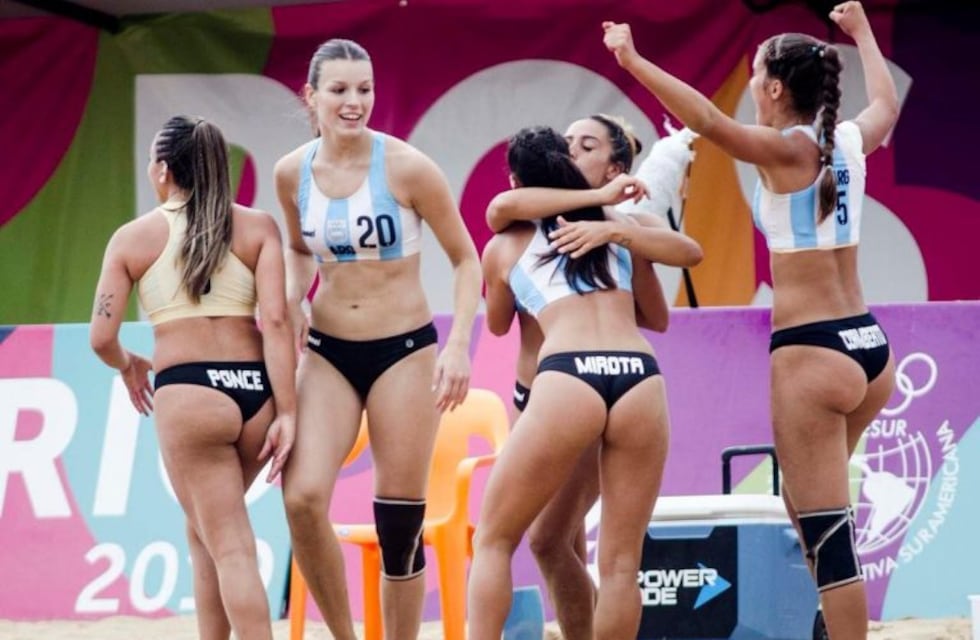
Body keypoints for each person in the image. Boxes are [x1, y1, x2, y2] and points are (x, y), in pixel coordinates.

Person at [602, 2, 899, 637]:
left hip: (812, 352)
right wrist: (863, 32)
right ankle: (830, 620)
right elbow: (887, 104)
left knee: (826, 528)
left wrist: (632, 59)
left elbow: (705, 120)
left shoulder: (786, 150)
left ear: (770, 87)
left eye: (756, 72)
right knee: (805, 503)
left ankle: (842, 626)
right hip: (869, 347)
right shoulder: (845, 139)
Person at [273, 38, 481, 640]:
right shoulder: (292, 173)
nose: (354, 102)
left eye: (364, 89)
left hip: (403, 351)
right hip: (331, 352)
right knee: (303, 498)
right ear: (311, 96)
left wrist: (460, 344)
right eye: (339, 90)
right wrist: (293, 296)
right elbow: (295, 249)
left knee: (398, 524)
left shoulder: (407, 168)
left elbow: (466, 260)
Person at [468, 125, 702, 640]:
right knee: (619, 562)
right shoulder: (620, 222)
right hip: (638, 377)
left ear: (515, 179)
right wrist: (613, 221)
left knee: (494, 540)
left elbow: (498, 324)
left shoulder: (507, 242)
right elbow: (685, 261)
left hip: (566, 379)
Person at [89, 115, 296, 640]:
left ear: (162, 170)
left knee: (229, 543)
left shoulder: (134, 238)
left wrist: (127, 363)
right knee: (205, 531)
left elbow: (101, 338)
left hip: (192, 393)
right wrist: (288, 411)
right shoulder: (257, 227)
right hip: (257, 393)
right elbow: (275, 321)